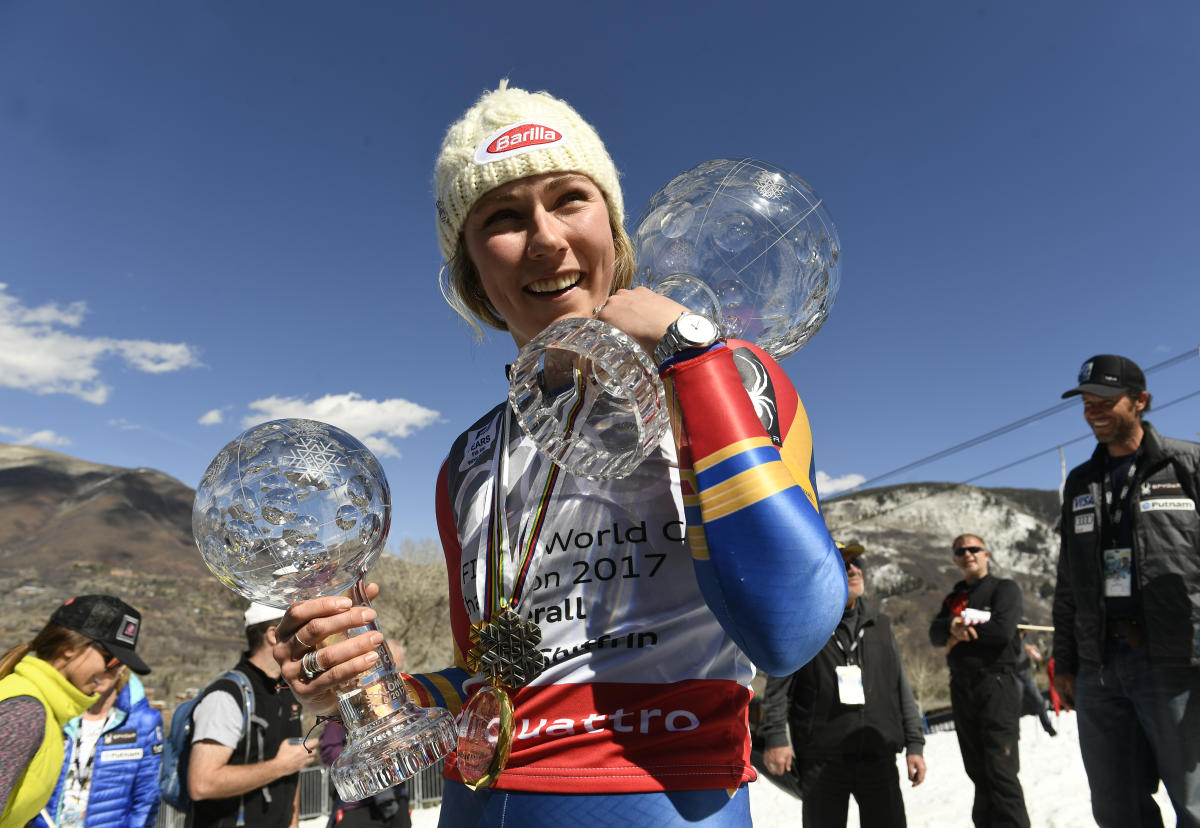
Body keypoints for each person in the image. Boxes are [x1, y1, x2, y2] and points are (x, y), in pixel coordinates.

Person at [271, 81, 846, 827]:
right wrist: (370, 689)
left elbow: (788, 631)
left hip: (662, 797)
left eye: (570, 199)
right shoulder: (469, 457)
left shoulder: (728, 377)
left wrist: (690, 359)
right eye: (504, 218)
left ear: (612, 224)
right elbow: (498, 683)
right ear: (472, 271)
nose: (545, 239)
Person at [1053, 353, 1200, 828]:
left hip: (1178, 663)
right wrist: (1066, 661)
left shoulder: (1191, 463)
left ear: (1140, 401)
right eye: (1087, 402)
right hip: (1100, 670)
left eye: (1106, 400)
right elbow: (1068, 578)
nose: (1094, 410)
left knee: (1197, 808)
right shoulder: (1080, 482)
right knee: (1117, 812)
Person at [758, 540, 926, 828]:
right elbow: (777, 688)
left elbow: (900, 687)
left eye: (856, 563)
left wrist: (915, 743)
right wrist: (775, 737)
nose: (853, 570)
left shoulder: (880, 625)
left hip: (878, 752)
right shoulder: (804, 624)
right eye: (843, 563)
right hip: (822, 758)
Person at [0, 595, 151, 828]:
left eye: (121, 666)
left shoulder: (48, 711)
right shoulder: (25, 711)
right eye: (111, 660)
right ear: (68, 649)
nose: (113, 672)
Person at [185, 602, 317, 828]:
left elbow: (291, 768)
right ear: (274, 635)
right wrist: (280, 766)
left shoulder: (287, 691)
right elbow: (201, 784)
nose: (310, 639)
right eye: (300, 630)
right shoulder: (226, 696)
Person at [928, 534, 1029, 828]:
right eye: (960, 551)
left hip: (996, 684)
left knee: (1001, 771)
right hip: (962, 687)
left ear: (986, 554)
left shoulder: (1004, 589)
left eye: (974, 549)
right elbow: (934, 633)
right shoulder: (953, 597)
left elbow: (1002, 631)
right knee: (977, 771)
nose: (967, 554)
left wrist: (958, 637)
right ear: (955, 559)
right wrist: (951, 626)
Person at [39, 667, 164, 828]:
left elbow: (146, 797)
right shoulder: (55, 712)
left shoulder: (143, 722)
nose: (102, 670)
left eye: (111, 663)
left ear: (123, 668)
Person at [320, 641, 410, 828]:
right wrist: (368, 759)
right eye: (389, 671)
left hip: (396, 797)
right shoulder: (348, 700)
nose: (395, 678)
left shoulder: (399, 700)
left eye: (397, 671)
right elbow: (329, 750)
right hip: (359, 805)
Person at [1016, 628, 1056, 737]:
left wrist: (1036, 651)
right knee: (1016, 705)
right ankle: (1015, 731)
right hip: (1016, 676)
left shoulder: (1027, 639)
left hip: (1028, 676)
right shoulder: (1013, 637)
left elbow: (1038, 655)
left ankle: (1048, 727)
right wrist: (1024, 647)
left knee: (1040, 701)